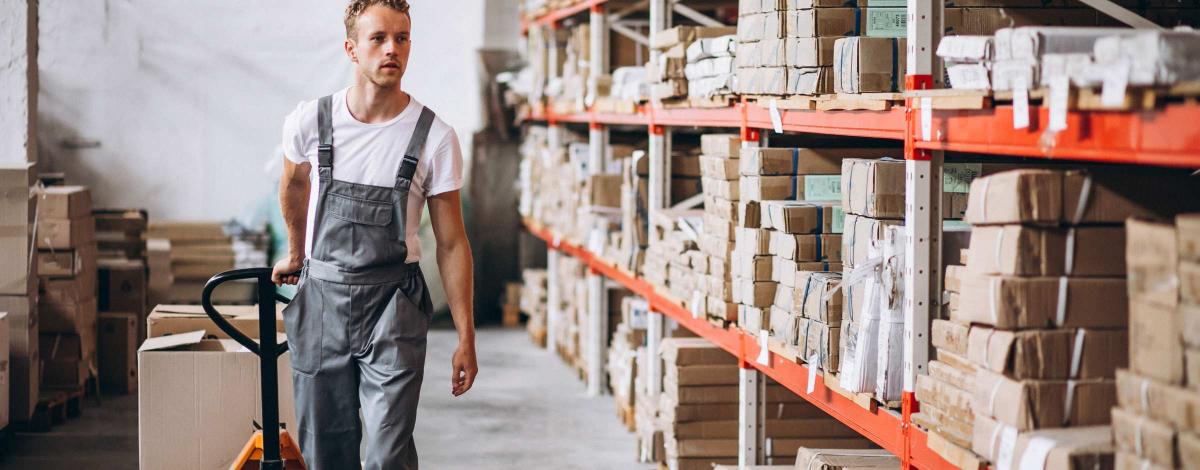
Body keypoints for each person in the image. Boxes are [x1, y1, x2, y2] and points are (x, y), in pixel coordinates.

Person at [271, 1, 477, 468]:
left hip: (394, 305)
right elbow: (294, 183)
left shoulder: (434, 137)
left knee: (388, 453)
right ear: (351, 49)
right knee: (326, 450)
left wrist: (466, 334)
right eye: (378, 38)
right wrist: (295, 251)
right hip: (322, 300)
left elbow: (451, 242)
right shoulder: (311, 121)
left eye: (402, 38)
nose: (392, 49)